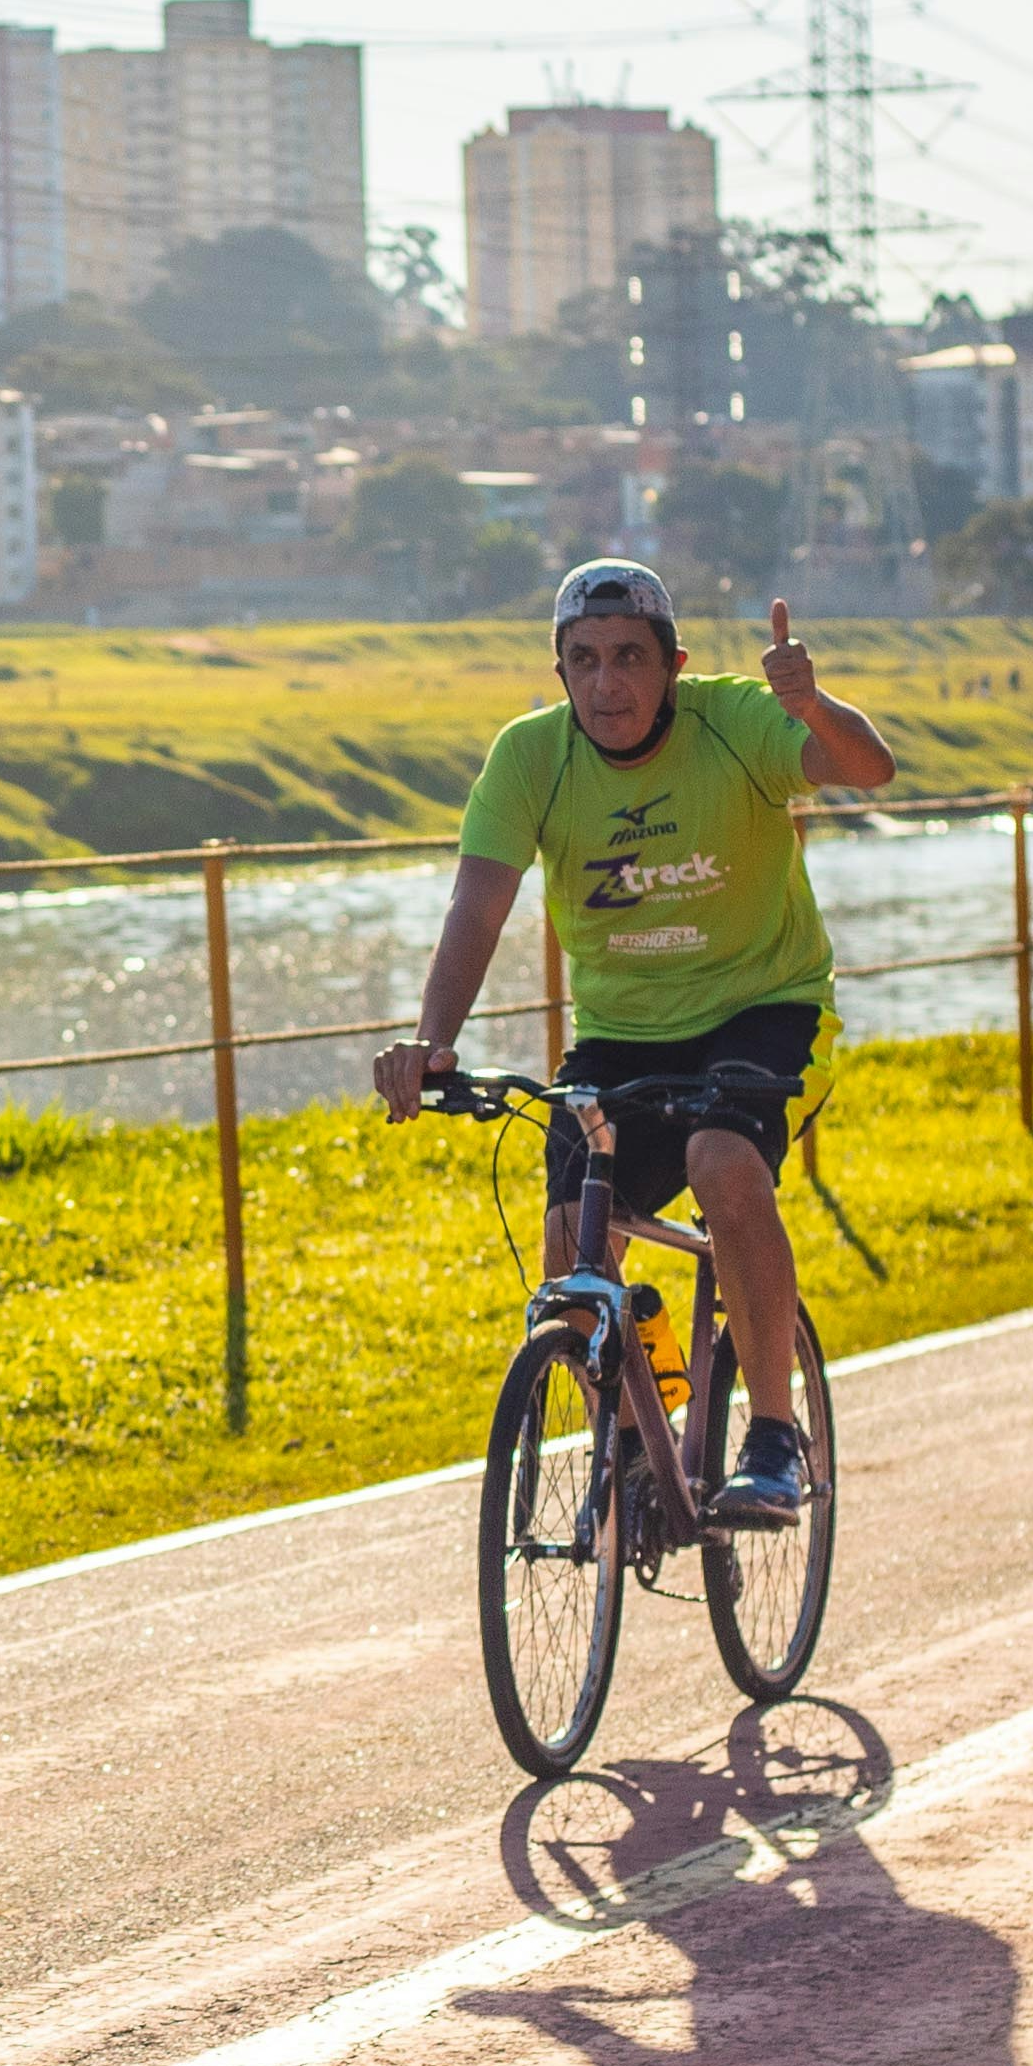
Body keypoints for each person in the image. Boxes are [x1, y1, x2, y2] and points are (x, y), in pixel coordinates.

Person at [371, 557, 897, 1526]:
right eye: (584, 660)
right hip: (620, 1034)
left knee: (720, 1158)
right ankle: (634, 1429)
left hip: (765, 1009)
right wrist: (429, 1043)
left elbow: (868, 768)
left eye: (629, 658)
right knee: (574, 1238)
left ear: (673, 664)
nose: (607, 682)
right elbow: (477, 906)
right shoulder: (530, 757)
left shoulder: (733, 720)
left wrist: (813, 707)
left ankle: (773, 1437)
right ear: (559, 669)